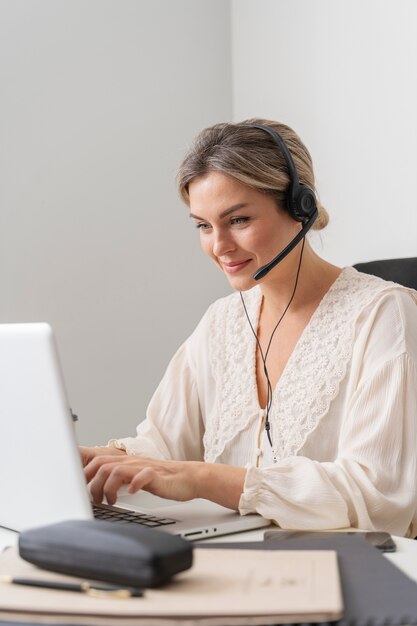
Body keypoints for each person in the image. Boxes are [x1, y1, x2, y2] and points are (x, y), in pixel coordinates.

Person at [82, 119, 417, 537]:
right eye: (203, 225)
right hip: (227, 559)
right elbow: (162, 448)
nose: (218, 246)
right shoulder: (223, 321)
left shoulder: (383, 313)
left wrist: (204, 479)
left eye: (237, 220)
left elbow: (377, 495)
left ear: (301, 208)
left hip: (345, 572)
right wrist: (89, 461)